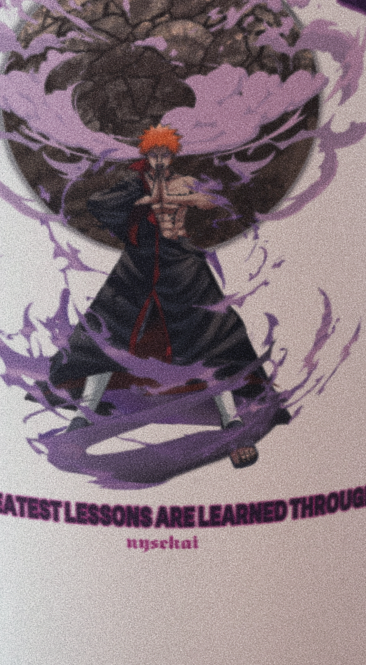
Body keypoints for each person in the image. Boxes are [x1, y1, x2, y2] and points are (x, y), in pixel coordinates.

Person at [48, 124, 283, 468]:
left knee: (213, 337)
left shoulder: (183, 182)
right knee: (106, 333)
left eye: (165, 154)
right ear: (146, 154)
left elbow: (209, 201)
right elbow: (99, 204)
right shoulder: (133, 184)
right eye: (153, 154)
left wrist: (167, 199)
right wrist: (138, 202)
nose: (159, 159)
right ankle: (83, 416)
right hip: (140, 264)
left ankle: (231, 421)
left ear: (173, 154)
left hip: (180, 264)